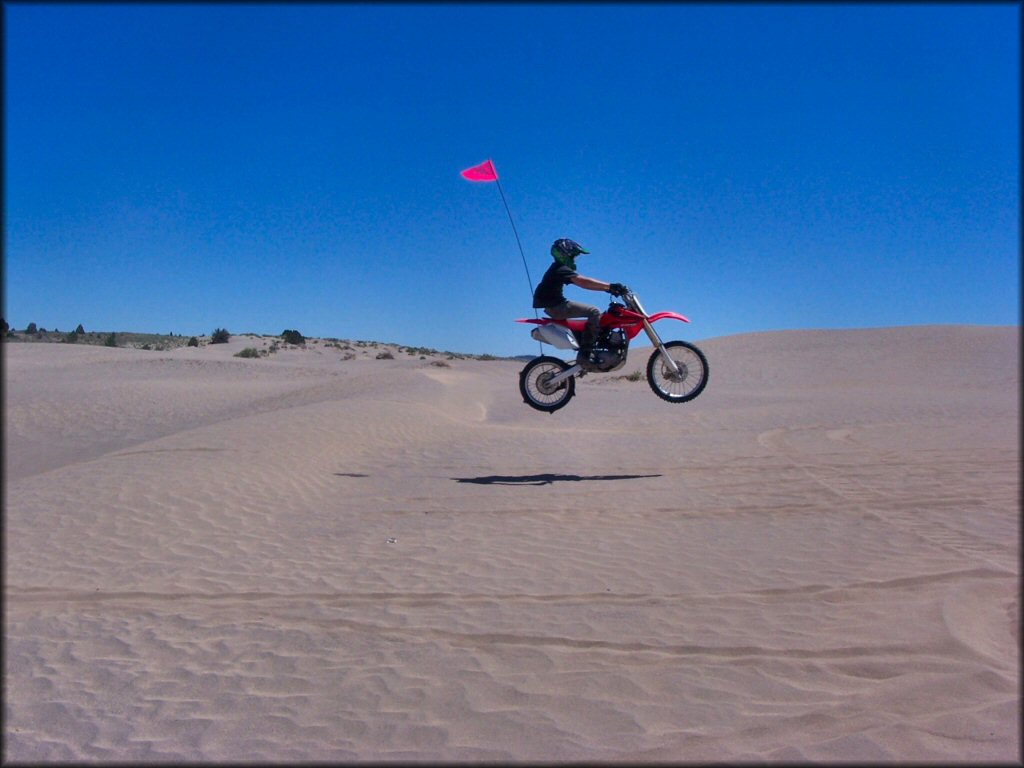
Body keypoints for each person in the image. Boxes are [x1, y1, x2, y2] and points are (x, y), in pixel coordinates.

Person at [532, 238, 626, 367]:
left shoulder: (558, 268)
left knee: (603, 318)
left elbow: (584, 283)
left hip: (555, 305)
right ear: (565, 254)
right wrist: (609, 286)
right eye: (574, 256)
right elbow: (583, 282)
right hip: (556, 307)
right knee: (594, 311)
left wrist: (607, 288)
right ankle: (585, 354)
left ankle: (594, 344)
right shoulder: (560, 269)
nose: (575, 259)